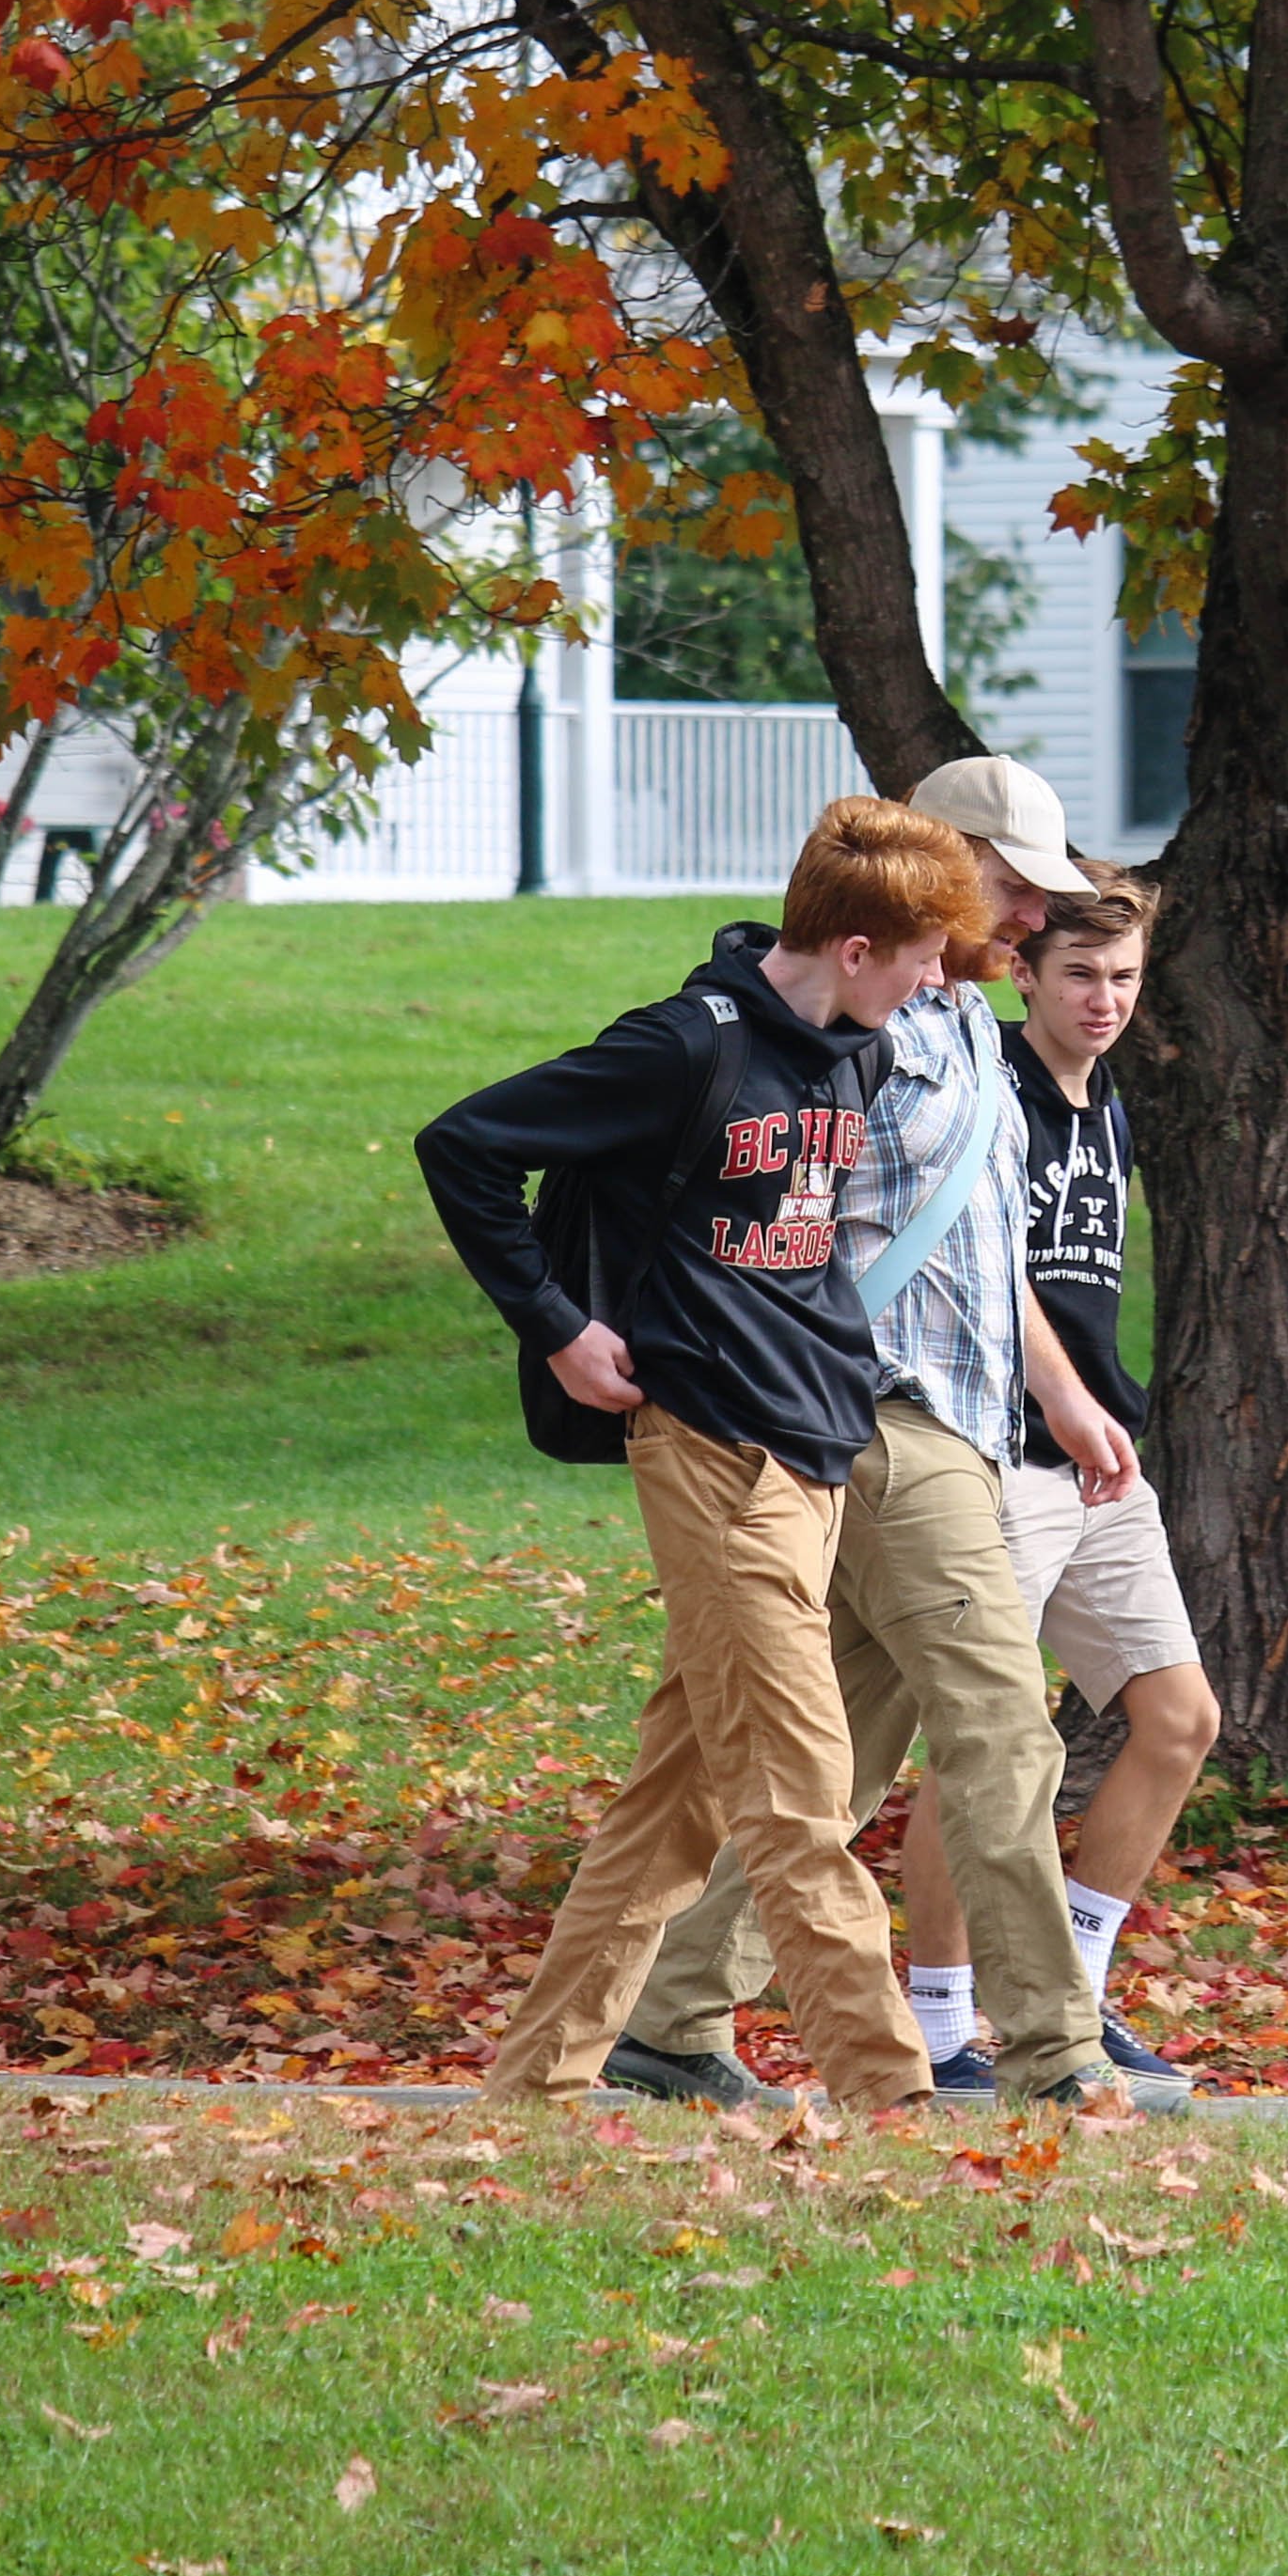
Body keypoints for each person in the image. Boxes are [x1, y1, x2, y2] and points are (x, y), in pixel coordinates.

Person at [600, 755, 1175, 2120]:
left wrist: (1061, 1398)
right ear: (936, 864)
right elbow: (748, 1224)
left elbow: (975, 1252)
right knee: (1003, 1727)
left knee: (842, 1754)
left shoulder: (973, 1027)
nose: (1036, 919)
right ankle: (1053, 2050)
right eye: (1014, 889)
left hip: (958, 1423)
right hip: (874, 1424)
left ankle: (671, 2020)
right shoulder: (846, 1027)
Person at [422, 797, 982, 2117]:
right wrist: (557, 1328)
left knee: (677, 1803)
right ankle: (897, 2108)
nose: (938, 979)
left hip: (813, 1457)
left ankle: (540, 2078)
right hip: (709, 1452)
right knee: (799, 1802)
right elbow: (465, 1146)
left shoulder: (852, 1049)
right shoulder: (683, 1048)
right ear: (855, 946)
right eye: (922, 955)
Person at [883, 855, 1222, 2088]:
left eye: (1124, 976)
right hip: (1009, 1451)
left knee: (1179, 1719)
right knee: (989, 1743)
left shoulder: (1104, 1102)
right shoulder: (997, 1089)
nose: (1104, 998)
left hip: (1097, 1462)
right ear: (1020, 971)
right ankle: (935, 2023)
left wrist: (1096, 1419)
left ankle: (1072, 1989)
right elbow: (987, 1273)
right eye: (1079, 972)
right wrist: (1064, 1402)